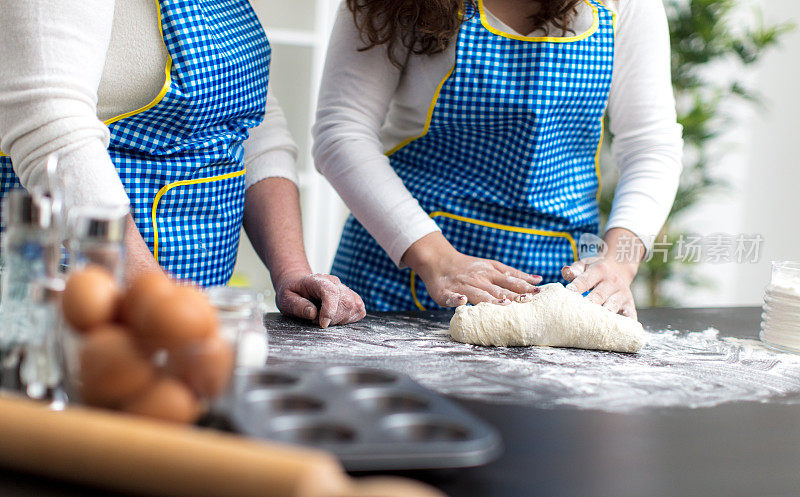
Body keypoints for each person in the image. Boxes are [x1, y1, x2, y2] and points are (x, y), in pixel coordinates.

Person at [0, 0, 365, 328]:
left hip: (183, 317)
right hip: (74, 305)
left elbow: (251, 123)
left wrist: (292, 271)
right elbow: (49, 125)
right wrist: (159, 298)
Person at [313, 0, 683, 317]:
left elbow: (651, 145)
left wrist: (620, 262)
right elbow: (343, 131)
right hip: (398, 276)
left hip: (556, 286)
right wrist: (435, 258)